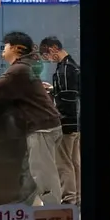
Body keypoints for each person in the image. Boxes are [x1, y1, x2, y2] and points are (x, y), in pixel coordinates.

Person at [0, 31, 62, 205]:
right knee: (32, 174)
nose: (2, 51)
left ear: (15, 48)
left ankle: (55, 215)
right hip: (47, 125)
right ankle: (26, 210)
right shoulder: (29, 66)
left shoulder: (18, 69)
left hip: (41, 128)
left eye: (5, 47)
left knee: (44, 175)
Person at [40, 36, 81, 205]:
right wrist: (53, 88)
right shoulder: (72, 66)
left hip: (67, 122)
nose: (48, 59)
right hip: (76, 122)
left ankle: (69, 199)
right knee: (74, 162)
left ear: (54, 48)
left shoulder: (64, 69)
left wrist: (59, 118)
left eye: (47, 55)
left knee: (64, 164)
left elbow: (67, 99)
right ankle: (77, 196)